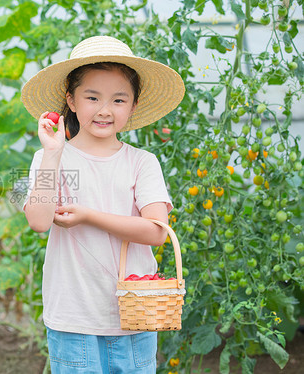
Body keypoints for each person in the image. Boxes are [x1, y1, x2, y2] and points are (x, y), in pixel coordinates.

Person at [20, 35, 185, 373]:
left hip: (136, 314)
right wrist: (53, 152)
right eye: (92, 97)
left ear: (134, 106)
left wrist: (88, 216)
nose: (105, 110)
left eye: (119, 100)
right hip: (73, 316)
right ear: (72, 100)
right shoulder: (48, 158)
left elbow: (157, 232)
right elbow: (38, 220)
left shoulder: (142, 162)